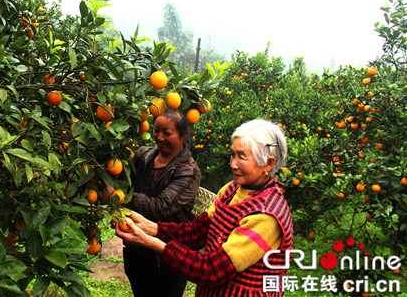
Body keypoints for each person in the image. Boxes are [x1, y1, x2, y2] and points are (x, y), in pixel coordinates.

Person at [116, 118, 293, 297]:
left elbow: (212, 270)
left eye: (242, 157)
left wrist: (152, 243)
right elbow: (196, 233)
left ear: (268, 163)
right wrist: (151, 227)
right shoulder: (231, 190)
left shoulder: (265, 217)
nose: (233, 164)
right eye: (233, 154)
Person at [112, 109, 201, 297]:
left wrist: (121, 197)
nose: (159, 137)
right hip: (136, 247)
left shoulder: (188, 172)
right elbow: (121, 179)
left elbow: (161, 208)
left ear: (184, 134)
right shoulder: (143, 156)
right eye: (156, 130)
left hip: (168, 254)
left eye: (167, 133)